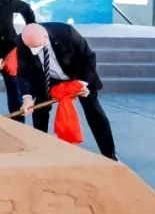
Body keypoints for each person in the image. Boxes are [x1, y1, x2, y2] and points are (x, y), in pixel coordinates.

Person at [16, 22, 118, 161]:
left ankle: (109, 154)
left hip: (77, 74)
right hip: (48, 78)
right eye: (31, 48)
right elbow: (23, 71)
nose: (35, 50)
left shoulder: (66, 33)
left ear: (45, 36)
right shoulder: (22, 41)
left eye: (38, 46)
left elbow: (88, 57)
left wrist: (84, 84)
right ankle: (40, 150)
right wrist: (27, 98)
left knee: (93, 110)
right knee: (40, 109)